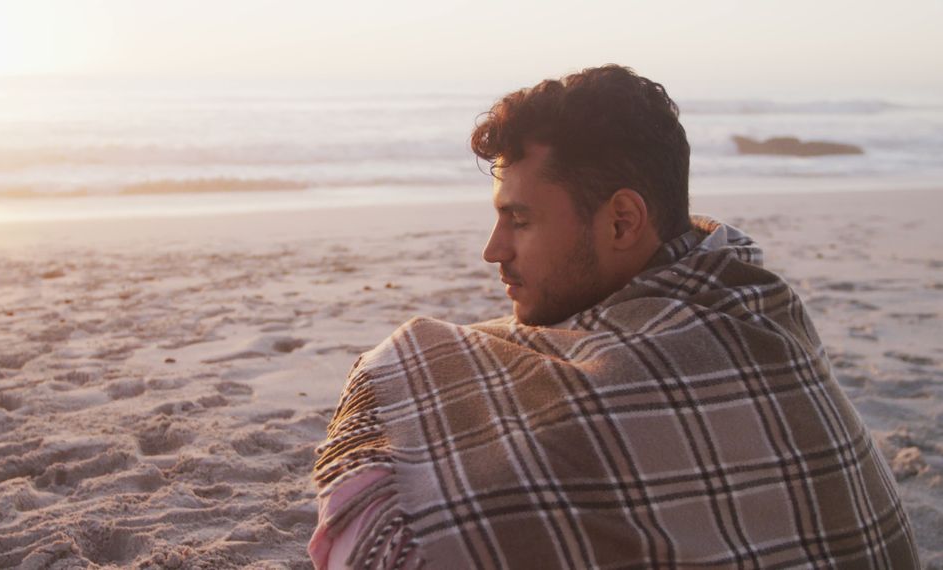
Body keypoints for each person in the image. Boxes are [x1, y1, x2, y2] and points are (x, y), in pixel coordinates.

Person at [309, 65, 918, 569]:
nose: (492, 250)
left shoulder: (717, 342)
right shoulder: (752, 300)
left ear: (623, 221)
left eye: (519, 220)